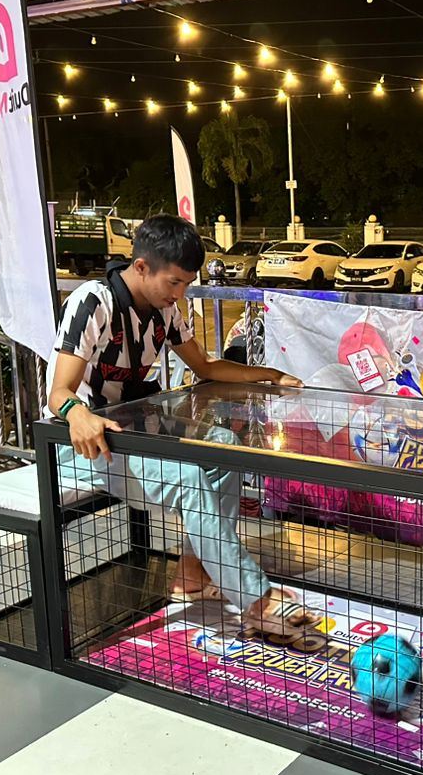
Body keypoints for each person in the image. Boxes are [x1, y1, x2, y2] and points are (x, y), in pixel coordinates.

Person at [47, 214, 319, 637]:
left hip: (136, 433)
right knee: (188, 476)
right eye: (174, 282)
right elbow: (59, 393)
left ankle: (192, 574)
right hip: (81, 444)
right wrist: (78, 414)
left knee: (224, 445)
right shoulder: (93, 301)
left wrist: (269, 375)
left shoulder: (166, 310)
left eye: (186, 284)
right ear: (141, 267)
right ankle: (256, 600)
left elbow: (205, 366)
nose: (180, 293)